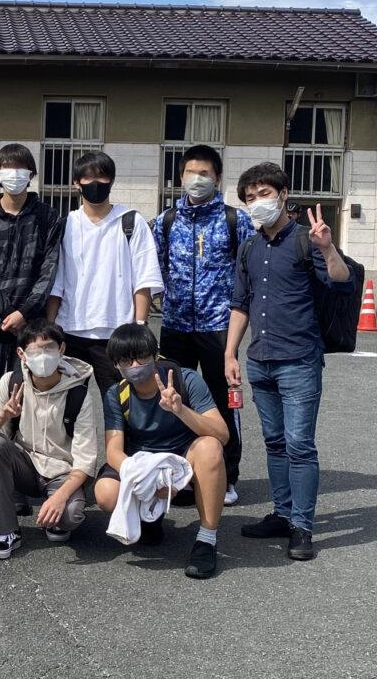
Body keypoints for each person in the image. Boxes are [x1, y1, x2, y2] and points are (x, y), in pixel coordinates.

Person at [226, 163, 353, 562]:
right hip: (260, 360)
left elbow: (342, 281)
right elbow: (240, 304)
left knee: (300, 446)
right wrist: (230, 352)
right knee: (275, 443)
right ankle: (282, 514)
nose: (257, 203)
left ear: (283, 195)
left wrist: (327, 247)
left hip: (299, 359)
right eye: (250, 198)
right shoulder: (249, 247)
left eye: (264, 194)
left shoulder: (305, 240)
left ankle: (302, 525)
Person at [0, 143, 63, 507]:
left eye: (21, 169)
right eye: (7, 168)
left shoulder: (48, 217)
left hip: (30, 330)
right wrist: (4, 309)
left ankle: (17, 480)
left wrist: (23, 311)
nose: (13, 175)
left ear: (31, 176)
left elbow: (48, 269)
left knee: (26, 401)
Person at [152, 145, 255, 507]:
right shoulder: (165, 221)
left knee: (223, 402)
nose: (198, 180)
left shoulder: (235, 220)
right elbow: (154, 268)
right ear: (181, 177)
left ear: (217, 178)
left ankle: (226, 476)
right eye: (191, 173)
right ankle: (181, 475)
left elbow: (247, 272)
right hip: (175, 326)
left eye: (205, 174)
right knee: (173, 401)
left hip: (218, 326)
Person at [95, 323, 229, 579]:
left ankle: (206, 539)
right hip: (143, 462)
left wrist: (180, 410)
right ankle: (148, 519)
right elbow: (113, 451)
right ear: (116, 365)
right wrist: (149, 483)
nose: (135, 365)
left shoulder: (186, 379)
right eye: (126, 360)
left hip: (183, 460)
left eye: (142, 357)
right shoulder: (116, 393)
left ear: (156, 355)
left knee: (210, 448)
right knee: (105, 494)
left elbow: (222, 434)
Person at [46, 150, 164, 402]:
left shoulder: (130, 221)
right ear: (76, 183)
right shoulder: (67, 224)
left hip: (117, 333)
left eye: (102, 177)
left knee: (121, 405)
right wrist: (51, 328)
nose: (96, 183)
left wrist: (139, 326)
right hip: (71, 330)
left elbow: (143, 279)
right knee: (67, 406)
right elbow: (56, 282)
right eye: (88, 178)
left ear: (112, 181)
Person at [0, 319, 95, 560]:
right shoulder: (11, 382)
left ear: (62, 349)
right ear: (21, 354)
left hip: (61, 472)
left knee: (70, 517)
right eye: (34, 350)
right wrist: (3, 417)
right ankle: (7, 531)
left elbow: (85, 460)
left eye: (49, 348)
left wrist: (60, 498)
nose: (42, 356)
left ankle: (56, 516)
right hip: (26, 466)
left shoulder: (78, 394)